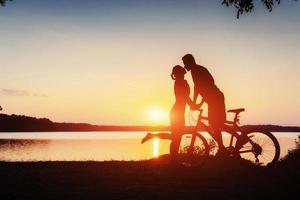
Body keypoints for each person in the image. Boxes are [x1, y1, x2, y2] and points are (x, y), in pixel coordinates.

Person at [141, 65, 196, 156]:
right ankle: (172, 156)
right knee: (176, 137)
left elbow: (185, 98)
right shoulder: (180, 83)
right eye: (182, 72)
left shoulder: (181, 82)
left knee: (176, 137)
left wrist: (193, 105)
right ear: (179, 73)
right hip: (177, 112)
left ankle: (173, 157)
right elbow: (185, 97)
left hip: (178, 112)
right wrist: (194, 105)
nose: (183, 73)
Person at [182, 54, 226, 155]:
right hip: (214, 99)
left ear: (190, 62)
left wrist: (197, 102)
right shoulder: (196, 70)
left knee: (215, 124)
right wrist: (197, 102)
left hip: (215, 99)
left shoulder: (197, 70)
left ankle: (222, 148)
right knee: (215, 123)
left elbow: (203, 85)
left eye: (185, 63)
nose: (184, 66)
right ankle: (222, 148)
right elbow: (200, 87)